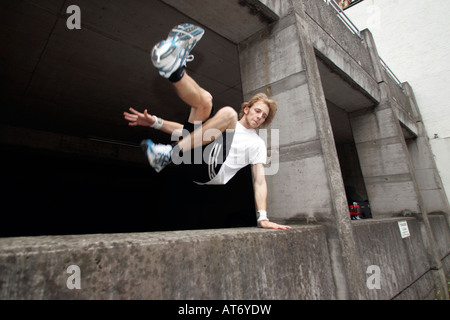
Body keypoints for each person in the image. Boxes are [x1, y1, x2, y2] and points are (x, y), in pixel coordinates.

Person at [123, 23, 291, 230]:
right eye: (257, 111)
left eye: (264, 116)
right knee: (205, 101)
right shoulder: (220, 127)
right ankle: (174, 70)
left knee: (227, 114)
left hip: (208, 172)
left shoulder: (256, 143)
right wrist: (155, 122)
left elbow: (259, 180)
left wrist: (262, 217)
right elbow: (186, 133)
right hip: (192, 158)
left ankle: (169, 154)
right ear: (247, 109)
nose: (260, 117)